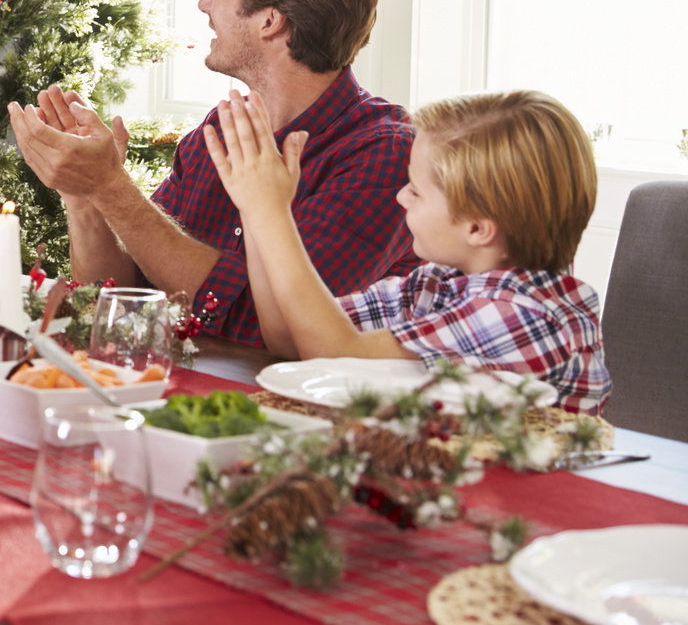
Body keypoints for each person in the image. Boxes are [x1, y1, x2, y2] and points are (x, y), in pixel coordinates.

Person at [10, 0, 417, 345]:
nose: (203, 3)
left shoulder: (384, 154)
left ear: (269, 20)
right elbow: (115, 299)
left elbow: (261, 330)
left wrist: (113, 187)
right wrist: (86, 195)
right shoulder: (215, 134)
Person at [200, 88, 610, 414]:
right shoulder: (439, 283)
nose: (400, 197)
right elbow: (292, 341)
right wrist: (255, 208)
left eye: (415, 190)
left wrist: (272, 213)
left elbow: (338, 356)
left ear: (477, 228)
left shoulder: (524, 314)